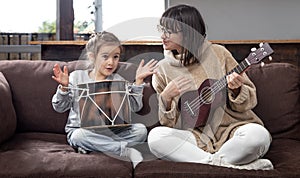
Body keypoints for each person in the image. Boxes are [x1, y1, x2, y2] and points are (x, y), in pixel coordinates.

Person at [147, 4, 273, 170]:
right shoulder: (162, 69)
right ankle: (233, 166)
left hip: (231, 130)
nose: (163, 35)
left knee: (258, 136)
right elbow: (169, 125)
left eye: (170, 31)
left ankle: (208, 163)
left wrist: (236, 90)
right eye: (162, 29)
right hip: (195, 138)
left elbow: (248, 103)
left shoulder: (219, 53)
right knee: (155, 137)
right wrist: (166, 98)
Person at [51, 31, 158, 168]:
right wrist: (64, 88)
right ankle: (123, 150)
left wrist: (138, 82)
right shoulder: (76, 77)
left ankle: (97, 146)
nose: (111, 62)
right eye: (105, 57)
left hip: (113, 133)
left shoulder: (118, 80)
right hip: (84, 131)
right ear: (92, 57)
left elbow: (135, 108)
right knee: (78, 136)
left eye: (115, 57)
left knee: (141, 130)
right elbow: (59, 107)